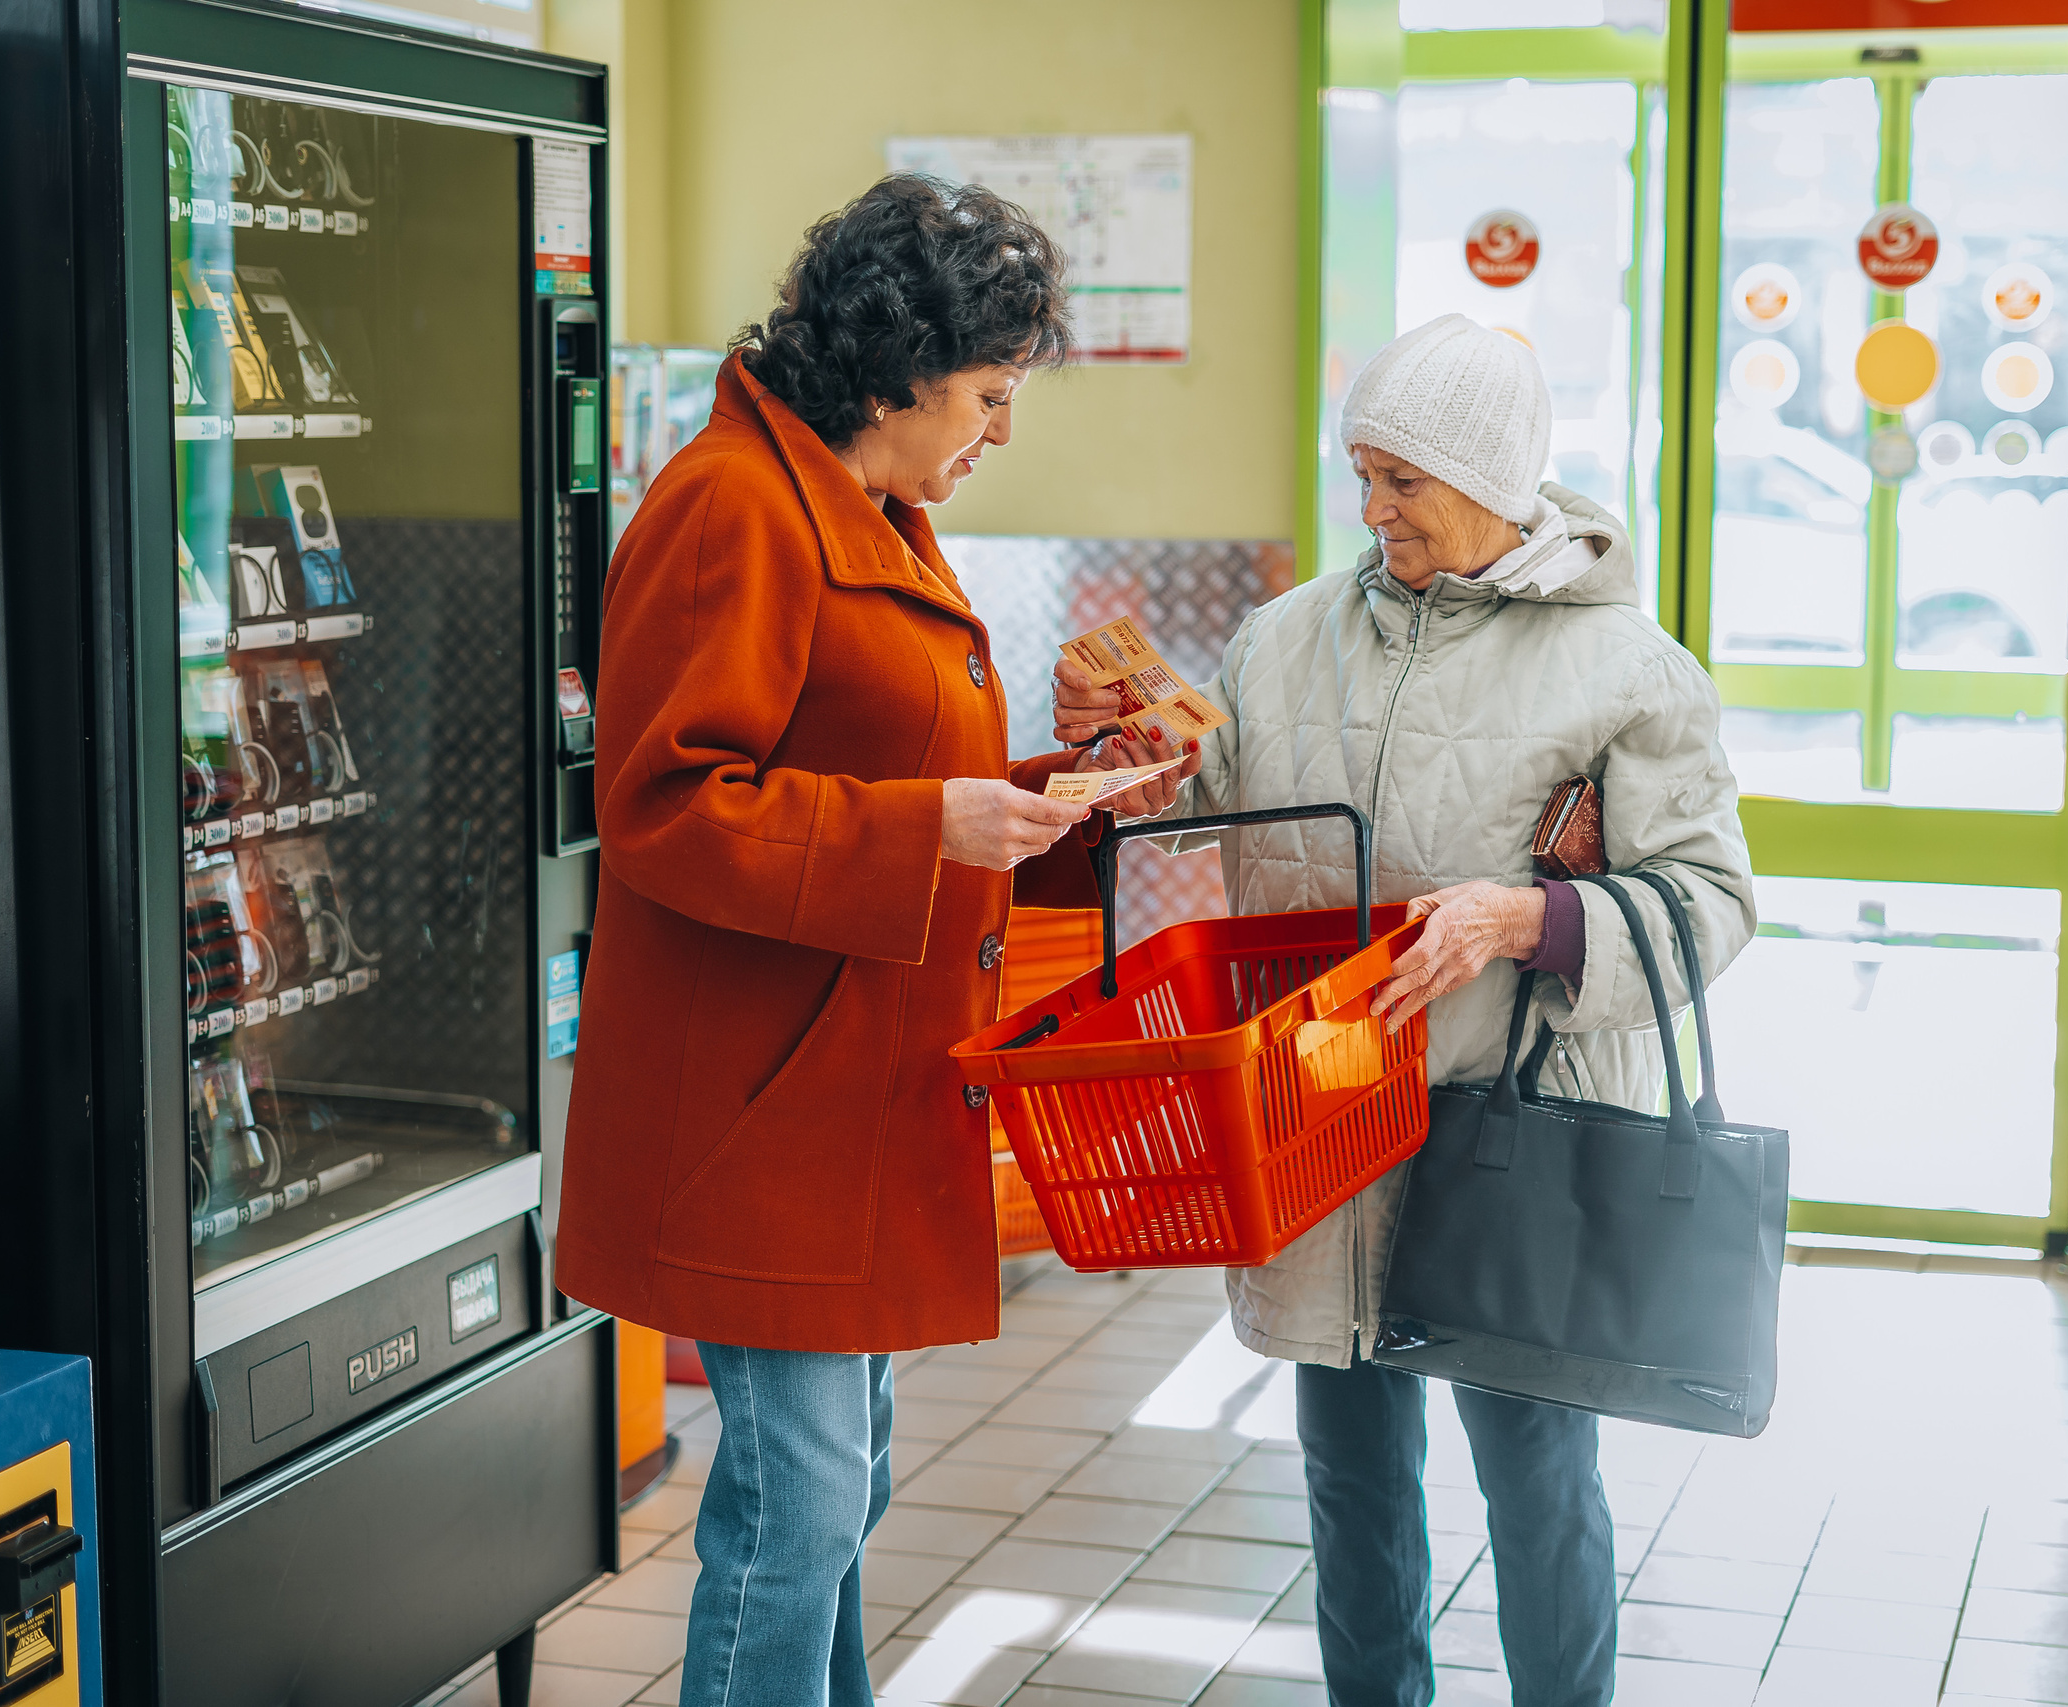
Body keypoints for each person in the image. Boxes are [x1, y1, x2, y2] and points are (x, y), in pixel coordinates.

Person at [1055, 313, 1757, 1706]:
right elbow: (1201, 792)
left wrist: (1527, 917)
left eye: (1402, 484)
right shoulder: (1290, 634)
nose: (1372, 512)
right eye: (1361, 476)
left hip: (1516, 1129)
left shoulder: (1626, 668)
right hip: (1318, 1120)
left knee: (1539, 1484)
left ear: (1494, 483)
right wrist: (1123, 759)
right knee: (1349, 1482)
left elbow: (1711, 901)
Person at [557, 176, 1183, 1707]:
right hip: (763, 1111)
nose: (1000, 429)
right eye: (988, 391)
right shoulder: (729, 507)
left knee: (840, 1497)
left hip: (856, 1086)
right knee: (801, 1511)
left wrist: (1066, 793)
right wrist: (934, 830)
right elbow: (666, 806)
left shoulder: (868, 509)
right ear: (896, 370)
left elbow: (896, 785)